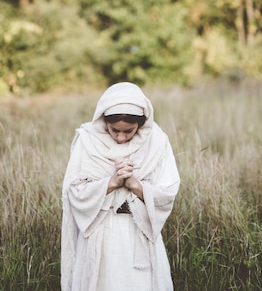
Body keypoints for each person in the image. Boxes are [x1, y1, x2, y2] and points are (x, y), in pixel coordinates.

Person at [61, 81, 180, 291]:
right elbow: (74, 192)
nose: (121, 137)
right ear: (103, 120)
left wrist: (134, 184)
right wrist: (112, 182)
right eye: (114, 130)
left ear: (141, 124)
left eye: (129, 131)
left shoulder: (157, 142)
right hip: (101, 234)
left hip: (138, 233)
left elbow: (168, 191)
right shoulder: (88, 140)